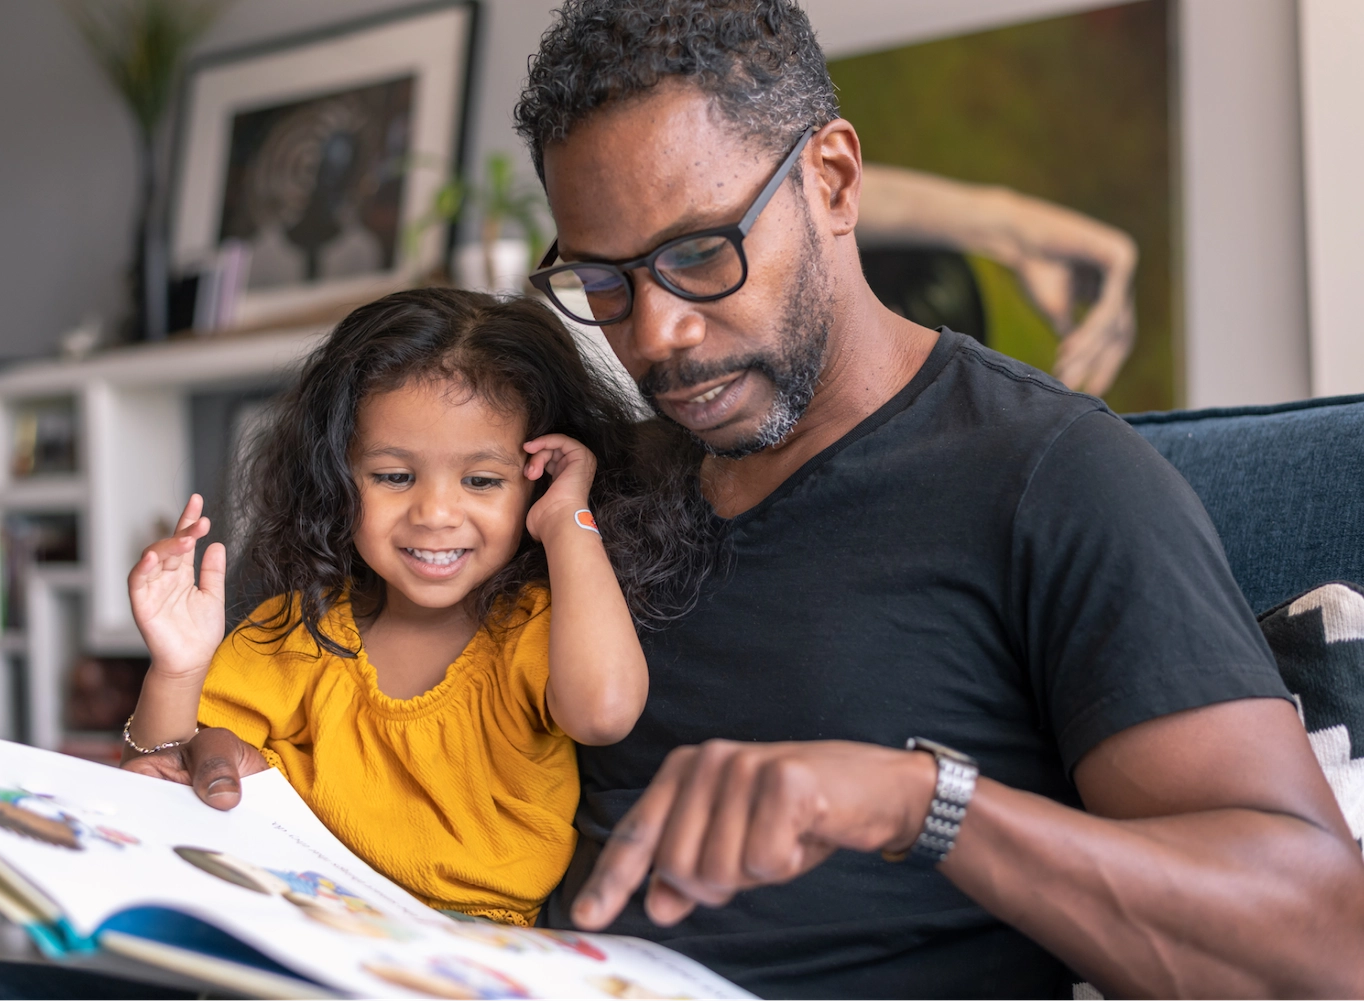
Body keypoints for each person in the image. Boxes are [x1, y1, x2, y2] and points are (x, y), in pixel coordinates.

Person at [512, 1, 1364, 998]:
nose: (655, 334)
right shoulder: (590, 485)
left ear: (832, 180)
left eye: (701, 253)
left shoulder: (1051, 475)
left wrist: (923, 802)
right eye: (605, 281)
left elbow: (1324, 951)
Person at [121, 287, 710, 926]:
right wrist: (177, 669)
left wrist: (569, 518)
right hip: (302, 917)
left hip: (475, 948)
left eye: (482, 481)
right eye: (394, 477)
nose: (434, 514)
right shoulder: (296, 633)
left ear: (536, 482)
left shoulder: (536, 628)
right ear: (337, 479)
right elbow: (157, 778)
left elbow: (604, 714)